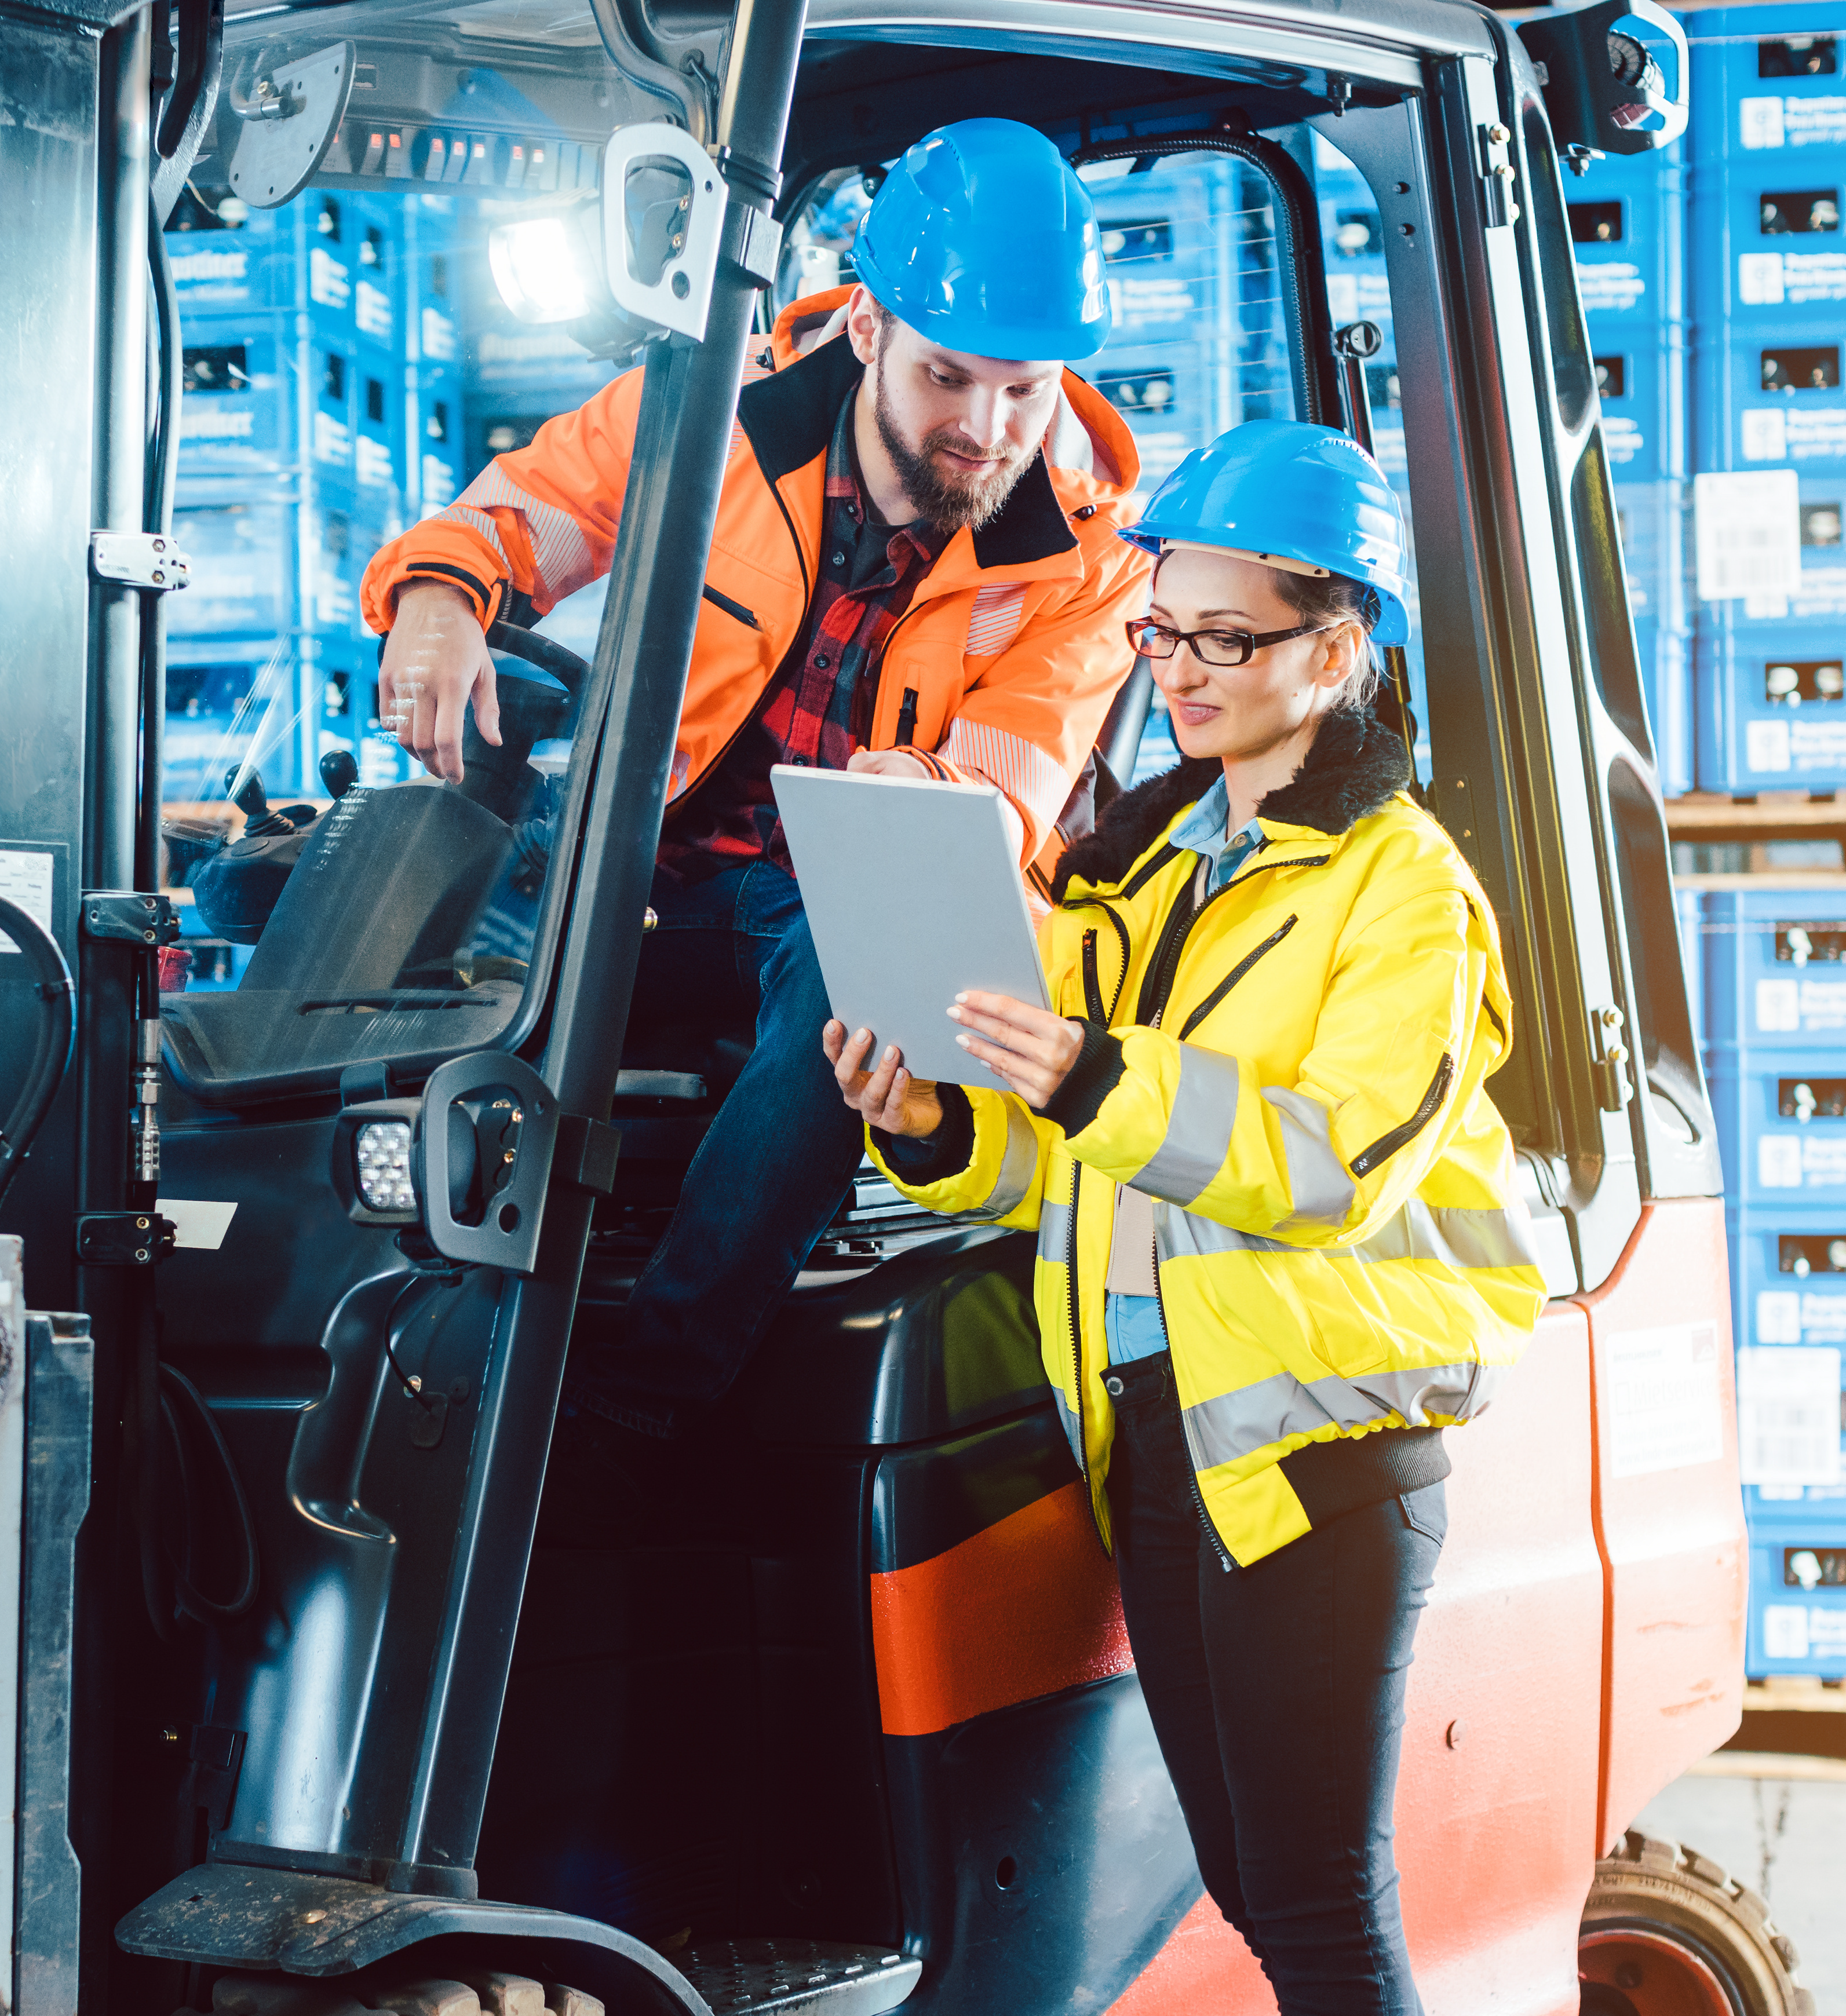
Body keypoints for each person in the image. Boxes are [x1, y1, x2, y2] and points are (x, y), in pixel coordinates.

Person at [825, 419, 1546, 2015]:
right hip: (1153, 1435)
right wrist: (938, 1124)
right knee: (1247, 1884)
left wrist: (1094, 1078)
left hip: (1316, 1456)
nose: (1179, 669)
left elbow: (1327, 1164)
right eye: (1163, 629)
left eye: (1227, 638)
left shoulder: (1400, 890)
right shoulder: (1152, 875)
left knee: (1312, 1902)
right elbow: (1081, 1161)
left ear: (1338, 642)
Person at [359, 119, 1154, 1438]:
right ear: (867, 334)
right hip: (635, 873)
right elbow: (524, 511)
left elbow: (988, 800)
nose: (983, 428)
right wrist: (439, 597)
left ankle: (649, 1394)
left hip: (828, 910)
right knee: (345, 898)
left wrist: (873, 806)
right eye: (948, 378)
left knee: (858, 977)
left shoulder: (1087, 572)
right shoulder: (703, 412)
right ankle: (397, 1316)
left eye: (1025, 391)